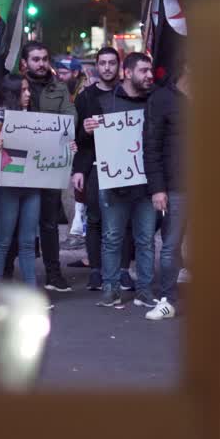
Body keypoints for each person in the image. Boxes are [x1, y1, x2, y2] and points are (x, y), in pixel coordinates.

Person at [81, 52, 157, 310]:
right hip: (114, 184)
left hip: (146, 184)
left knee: (145, 239)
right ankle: (110, 289)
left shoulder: (153, 101)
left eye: (150, 71)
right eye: (144, 71)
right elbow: (84, 140)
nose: (149, 76)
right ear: (128, 72)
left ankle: (145, 291)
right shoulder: (104, 102)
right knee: (112, 237)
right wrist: (87, 128)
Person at [21, 41, 77, 292]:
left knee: (49, 222)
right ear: (25, 63)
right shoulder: (15, 85)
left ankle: (53, 274)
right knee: (16, 223)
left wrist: (54, 130)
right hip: (19, 164)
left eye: (44, 58)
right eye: (36, 59)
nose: (41, 63)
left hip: (48, 163)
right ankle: (10, 277)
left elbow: (70, 115)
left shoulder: (59, 88)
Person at [71, 47, 128, 291]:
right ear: (97, 65)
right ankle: (96, 270)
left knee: (125, 221)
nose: (107, 67)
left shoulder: (128, 93)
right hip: (94, 166)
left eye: (111, 63)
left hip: (126, 165)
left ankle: (124, 271)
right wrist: (79, 170)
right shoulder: (85, 97)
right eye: (102, 63)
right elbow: (78, 139)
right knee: (93, 220)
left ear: (119, 65)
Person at [143, 63, 189, 321]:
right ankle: (168, 299)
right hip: (176, 187)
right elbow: (151, 147)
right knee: (171, 245)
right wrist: (157, 188)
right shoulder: (162, 98)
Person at [0, 75, 42, 285]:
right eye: (23, 90)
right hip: (6, 185)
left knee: (28, 242)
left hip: (31, 184)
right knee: (2, 241)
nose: (28, 94)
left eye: (28, 90)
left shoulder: (32, 116)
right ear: (12, 93)